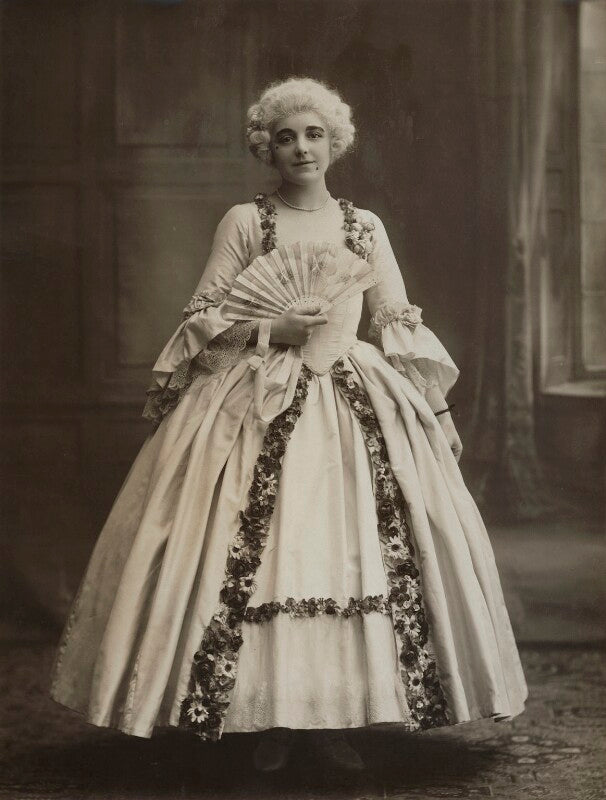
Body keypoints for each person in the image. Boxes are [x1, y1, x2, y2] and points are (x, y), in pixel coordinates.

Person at [49, 77, 527, 774]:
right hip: (255, 399)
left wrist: (438, 410)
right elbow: (201, 320)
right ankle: (269, 718)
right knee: (264, 554)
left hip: (356, 403)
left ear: (335, 144)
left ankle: (334, 720)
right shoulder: (247, 221)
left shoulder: (365, 227)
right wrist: (272, 327)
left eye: (314, 135)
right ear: (265, 148)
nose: (301, 148)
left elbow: (394, 320)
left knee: (352, 552)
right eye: (285, 137)